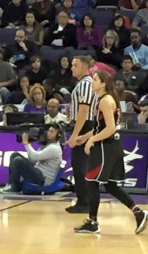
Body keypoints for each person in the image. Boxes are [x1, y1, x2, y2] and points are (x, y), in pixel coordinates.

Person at [73, 71, 148, 234]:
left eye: (95, 80)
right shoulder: (105, 99)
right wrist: (84, 137)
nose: (92, 82)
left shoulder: (105, 101)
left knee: (91, 181)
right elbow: (100, 127)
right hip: (112, 145)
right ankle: (138, 212)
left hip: (105, 147)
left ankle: (92, 222)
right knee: (110, 186)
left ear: (103, 83)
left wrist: (92, 140)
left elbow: (110, 128)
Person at [66, 56, 97, 214]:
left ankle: (84, 202)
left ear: (85, 67)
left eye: (75, 65)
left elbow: (84, 111)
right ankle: (84, 200)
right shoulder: (83, 84)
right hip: (82, 124)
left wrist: (75, 135)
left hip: (85, 126)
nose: (72, 68)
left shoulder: (85, 84)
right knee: (80, 165)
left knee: (80, 166)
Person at [0, 123, 63, 193]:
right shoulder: (47, 145)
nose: (48, 133)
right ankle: (10, 184)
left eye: (52, 132)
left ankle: (16, 187)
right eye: (48, 131)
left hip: (43, 179)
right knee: (14, 155)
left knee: (17, 161)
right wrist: (29, 145)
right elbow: (33, 160)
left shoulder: (54, 148)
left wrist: (26, 144)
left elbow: (35, 156)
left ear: (58, 134)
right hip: (38, 172)